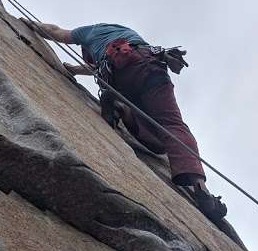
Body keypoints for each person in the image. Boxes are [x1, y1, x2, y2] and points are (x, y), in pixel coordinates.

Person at [31, 21, 227, 222]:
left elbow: (57, 33)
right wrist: (74, 69)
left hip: (116, 78)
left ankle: (120, 106)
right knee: (172, 125)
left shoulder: (86, 34)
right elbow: (104, 64)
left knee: (157, 143)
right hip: (147, 67)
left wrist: (30, 24)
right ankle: (200, 187)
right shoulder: (124, 32)